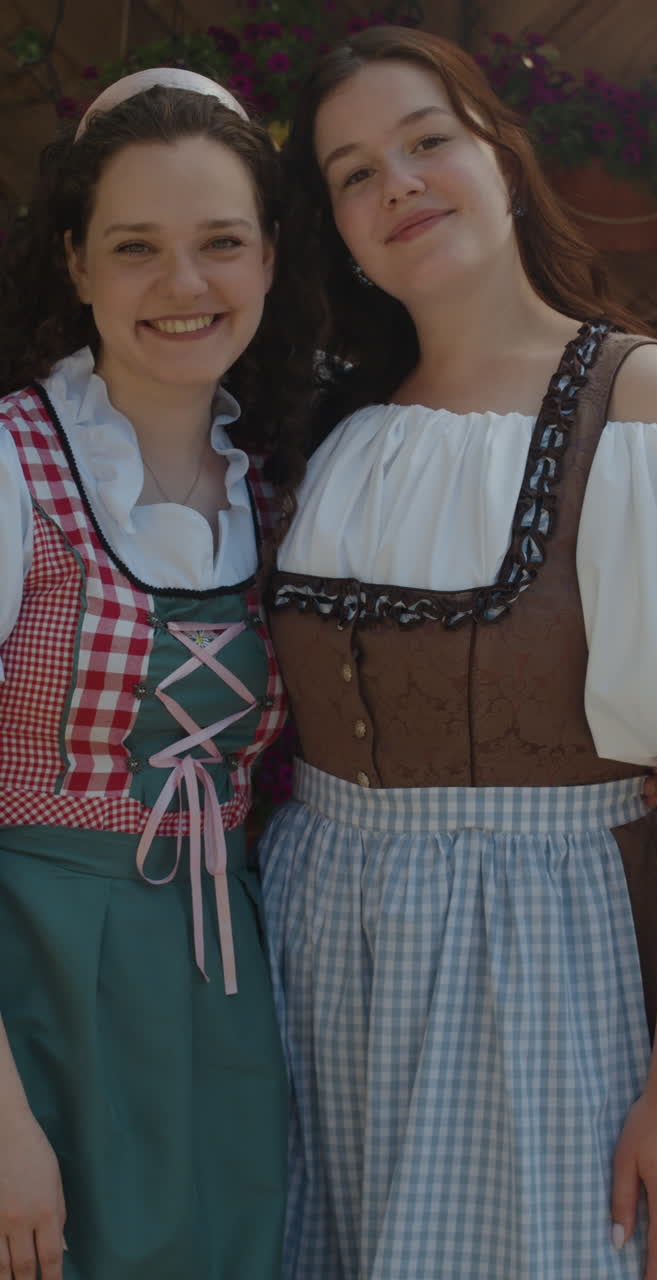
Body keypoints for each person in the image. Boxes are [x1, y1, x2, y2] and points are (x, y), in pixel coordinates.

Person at [257, 25, 657, 1280]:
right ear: (338, 228)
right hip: (316, 952)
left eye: (425, 142)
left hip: (542, 963)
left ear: (500, 159)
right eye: (354, 173)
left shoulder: (642, 403)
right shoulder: (333, 423)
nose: (396, 183)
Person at [0, 69, 305, 1280]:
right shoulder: (14, 464)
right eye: (137, 247)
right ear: (76, 264)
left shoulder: (282, 485)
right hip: (34, 977)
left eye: (221, 243)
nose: (185, 285)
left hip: (213, 978)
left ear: (271, 259)